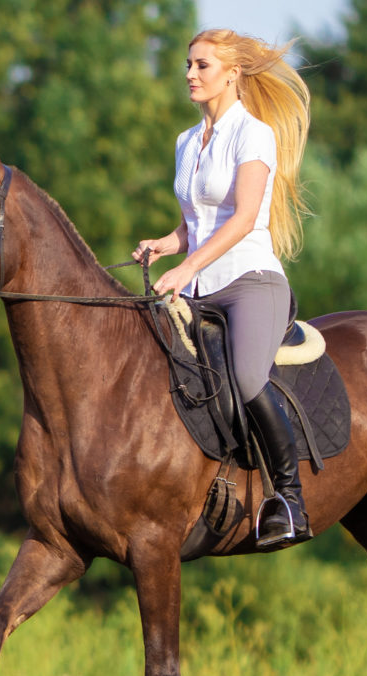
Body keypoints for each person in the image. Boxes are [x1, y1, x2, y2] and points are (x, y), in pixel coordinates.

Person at [132, 29, 313, 548]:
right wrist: (165, 245)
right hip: (199, 285)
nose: (190, 73)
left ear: (231, 73)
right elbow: (197, 221)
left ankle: (288, 499)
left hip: (250, 281)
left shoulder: (253, 134)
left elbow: (241, 220)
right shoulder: (185, 142)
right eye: (188, 64)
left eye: (202, 65)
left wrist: (185, 268)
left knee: (248, 377)